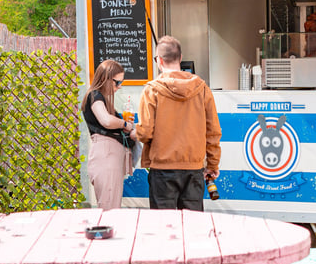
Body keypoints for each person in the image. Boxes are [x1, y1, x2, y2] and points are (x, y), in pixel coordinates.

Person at [136, 36, 222, 210]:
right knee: (192, 226)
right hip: (194, 168)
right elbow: (212, 130)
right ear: (180, 58)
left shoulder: (151, 90)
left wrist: (135, 132)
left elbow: (145, 132)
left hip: (162, 169)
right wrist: (212, 164)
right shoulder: (202, 89)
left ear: (159, 60)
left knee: (164, 226)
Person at [81, 59, 136, 209]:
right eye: (117, 82)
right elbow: (105, 120)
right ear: (105, 78)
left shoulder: (100, 97)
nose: (119, 87)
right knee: (109, 208)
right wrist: (125, 124)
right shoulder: (95, 95)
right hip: (106, 157)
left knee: (111, 205)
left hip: (109, 157)